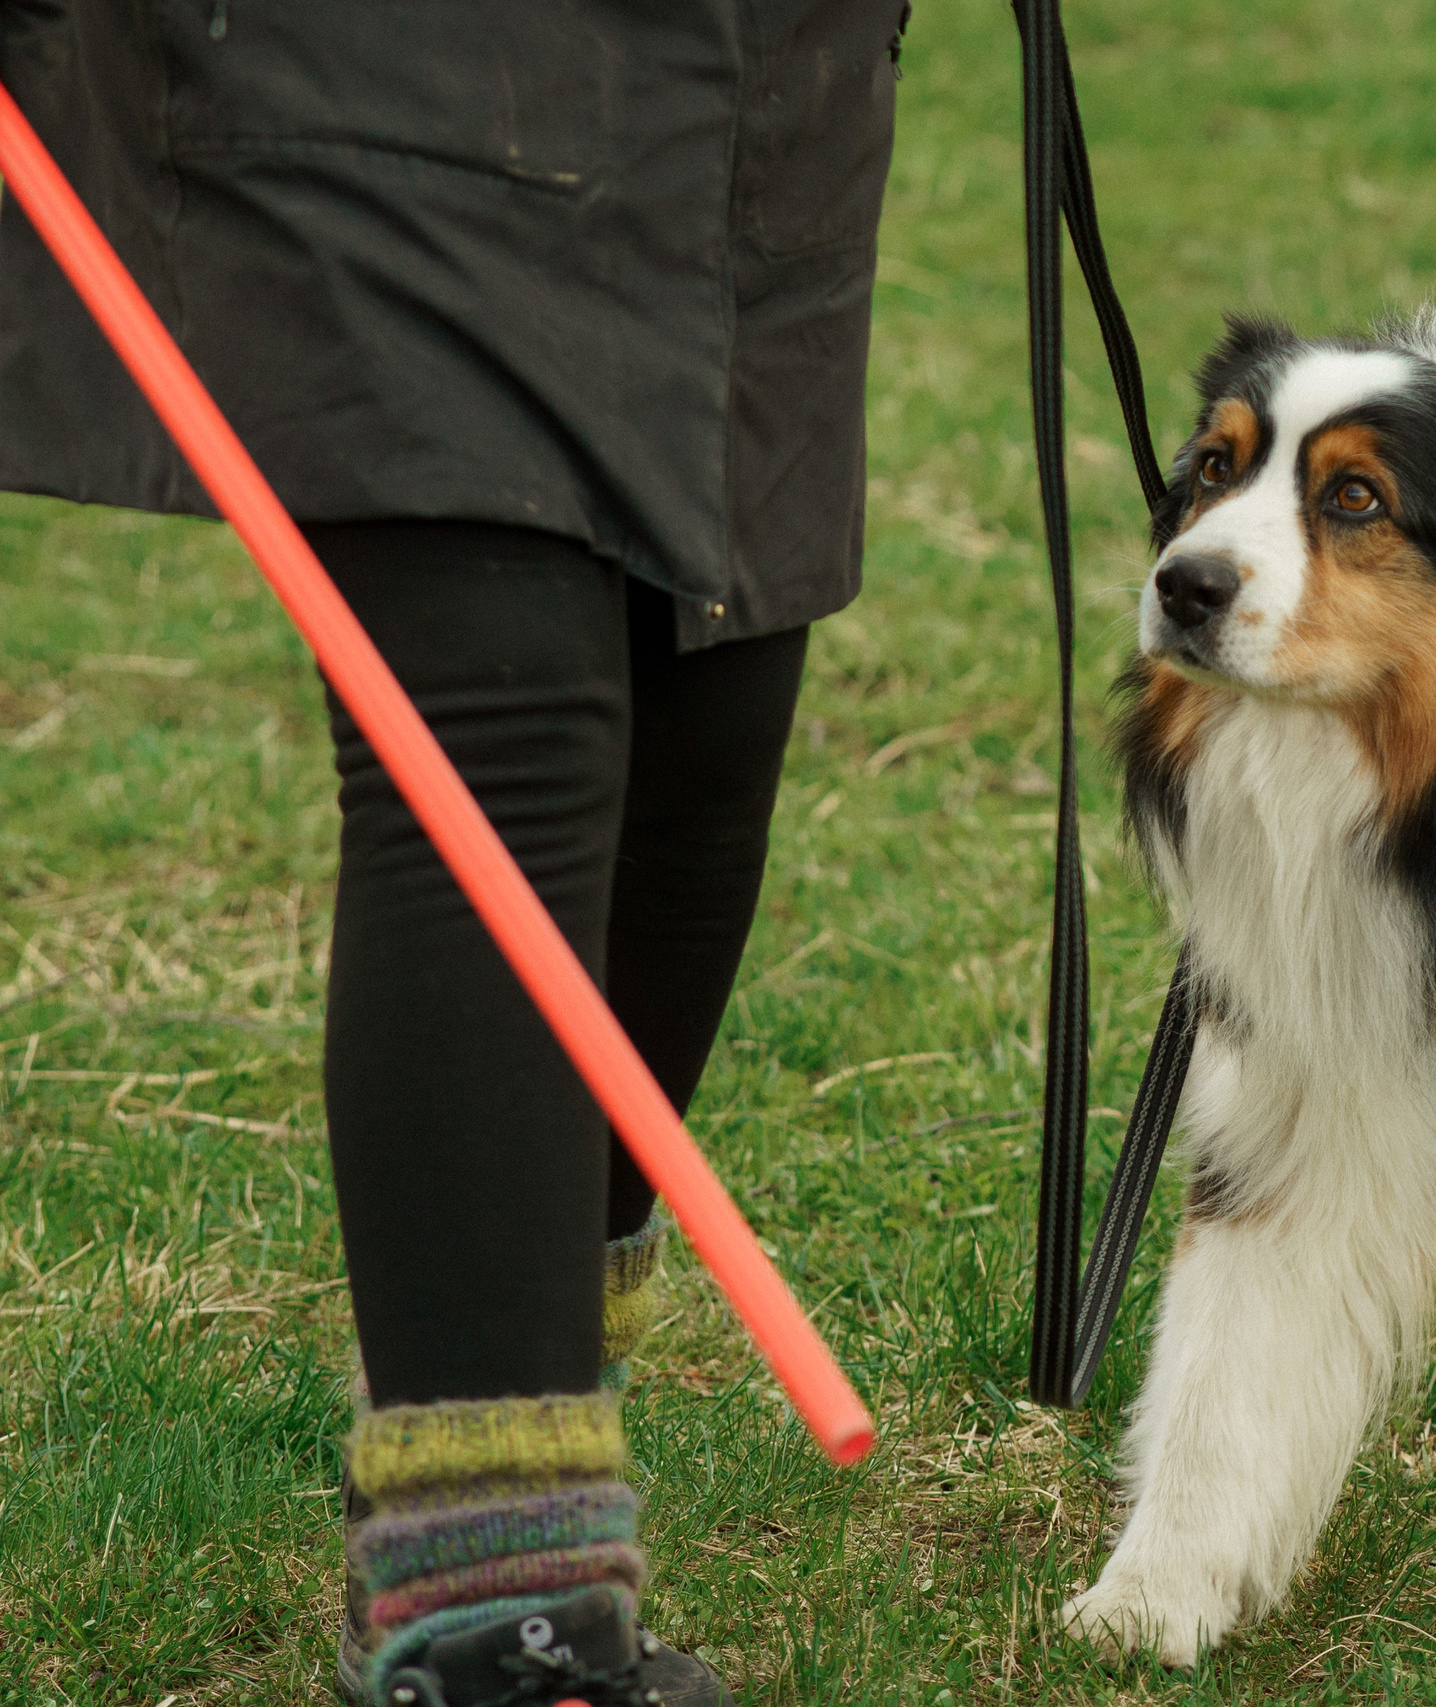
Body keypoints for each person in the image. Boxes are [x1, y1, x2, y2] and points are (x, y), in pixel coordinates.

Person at [0, 4, 909, 1702]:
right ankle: (499, 1607)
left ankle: (509, 1398)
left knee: (707, 714)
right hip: (377, 55)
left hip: (746, 82)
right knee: (501, 727)